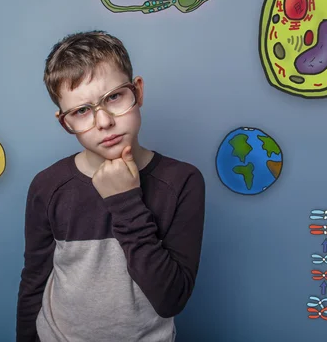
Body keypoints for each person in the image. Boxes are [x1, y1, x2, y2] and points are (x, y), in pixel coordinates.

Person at [16, 30, 206, 342]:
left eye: (114, 97)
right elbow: (34, 280)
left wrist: (126, 201)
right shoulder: (47, 186)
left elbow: (171, 299)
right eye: (82, 110)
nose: (104, 121)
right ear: (66, 123)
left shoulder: (183, 182)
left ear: (138, 91)